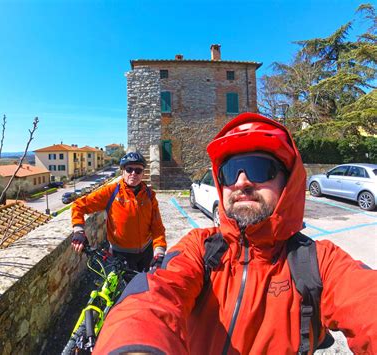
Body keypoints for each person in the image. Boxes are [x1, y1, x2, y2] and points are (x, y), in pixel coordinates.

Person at [93, 113, 376, 354]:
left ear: (287, 181)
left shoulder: (319, 262)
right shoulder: (200, 248)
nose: (242, 182)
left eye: (259, 168)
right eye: (230, 172)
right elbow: (153, 296)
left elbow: (365, 298)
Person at [71, 151, 167, 272]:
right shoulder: (111, 192)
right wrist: (79, 231)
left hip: (147, 253)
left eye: (138, 170)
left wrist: (159, 252)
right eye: (129, 169)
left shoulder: (149, 195)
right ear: (122, 171)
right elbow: (79, 205)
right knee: (127, 289)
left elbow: (157, 227)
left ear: (143, 173)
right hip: (121, 256)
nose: (133, 173)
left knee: (147, 288)